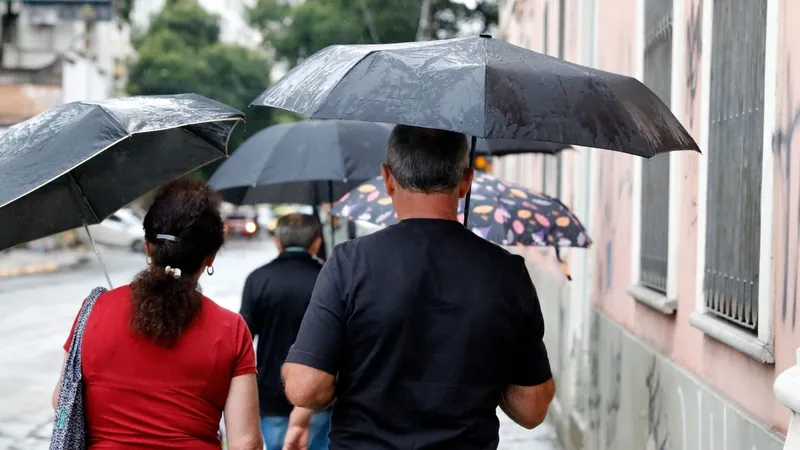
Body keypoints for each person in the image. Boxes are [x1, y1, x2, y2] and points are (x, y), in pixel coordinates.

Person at [281, 125, 556, 449]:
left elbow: (305, 387)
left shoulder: (349, 263)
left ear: (387, 178)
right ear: (466, 180)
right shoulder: (507, 272)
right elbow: (532, 408)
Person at [52, 180, 262, 450]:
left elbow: (62, 399)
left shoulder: (95, 310)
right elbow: (247, 442)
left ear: (148, 247)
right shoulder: (231, 329)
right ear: (210, 257)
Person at [240, 213, 332, 450]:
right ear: (317, 242)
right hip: (319, 393)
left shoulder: (258, 279)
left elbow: (243, 339)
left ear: (277, 241)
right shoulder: (329, 279)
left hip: (271, 391)